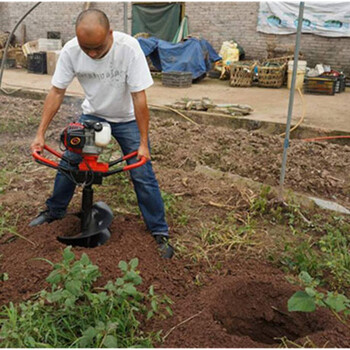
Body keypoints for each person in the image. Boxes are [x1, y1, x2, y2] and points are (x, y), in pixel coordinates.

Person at [30, 9, 174, 259]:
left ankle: (159, 231)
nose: (93, 54)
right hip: (93, 115)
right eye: (87, 49)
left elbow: (139, 97)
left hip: (127, 118)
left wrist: (142, 143)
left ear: (110, 33)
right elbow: (56, 92)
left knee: (141, 173)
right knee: (70, 162)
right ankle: (54, 211)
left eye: (98, 47)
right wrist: (40, 133)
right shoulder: (71, 51)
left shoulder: (129, 49)